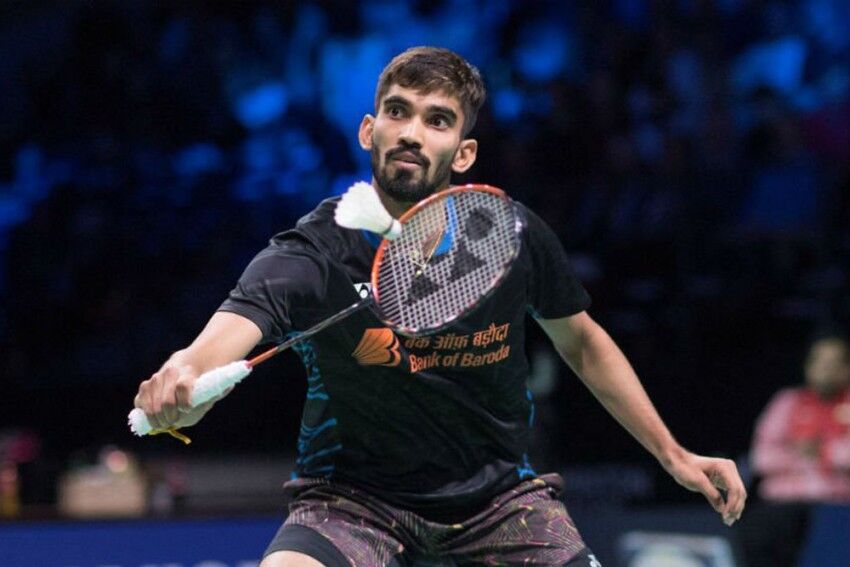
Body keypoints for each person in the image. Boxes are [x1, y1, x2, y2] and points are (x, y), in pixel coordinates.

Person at [133, 47, 746, 567]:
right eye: (398, 111)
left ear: (463, 152)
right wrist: (184, 371)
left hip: (498, 503)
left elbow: (581, 342)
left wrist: (673, 454)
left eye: (437, 120)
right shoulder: (313, 252)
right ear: (369, 130)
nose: (411, 132)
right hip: (351, 503)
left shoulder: (509, 237)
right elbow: (229, 331)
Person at [742, 332, 850, 567]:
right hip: (782, 507)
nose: (826, 369)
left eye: (835, 362)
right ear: (808, 366)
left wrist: (822, 451)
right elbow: (761, 459)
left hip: (838, 509)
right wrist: (808, 457)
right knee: (756, 532)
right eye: (819, 361)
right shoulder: (787, 402)